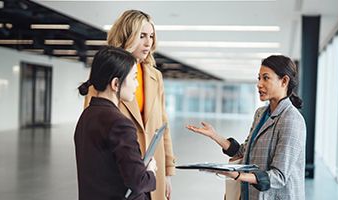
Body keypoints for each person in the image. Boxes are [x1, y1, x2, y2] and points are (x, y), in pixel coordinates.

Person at [84, 10, 175, 200]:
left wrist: (167, 171)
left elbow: (162, 124)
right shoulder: (106, 72)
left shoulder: (155, 76)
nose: (148, 43)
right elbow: (92, 129)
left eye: (151, 36)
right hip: (122, 168)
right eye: (142, 36)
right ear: (127, 36)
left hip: (152, 164)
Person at [187, 55, 306, 200]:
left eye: (266, 78)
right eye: (259, 78)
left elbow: (279, 177)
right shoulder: (261, 114)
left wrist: (237, 175)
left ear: (284, 81)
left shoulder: (292, 120)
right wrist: (215, 136)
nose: (259, 84)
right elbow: (244, 151)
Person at [75, 46, 157, 200]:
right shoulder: (120, 124)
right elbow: (138, 182)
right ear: (116, 84)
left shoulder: (87, 115)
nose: (136, 85)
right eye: (134, 78)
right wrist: (150, 171)